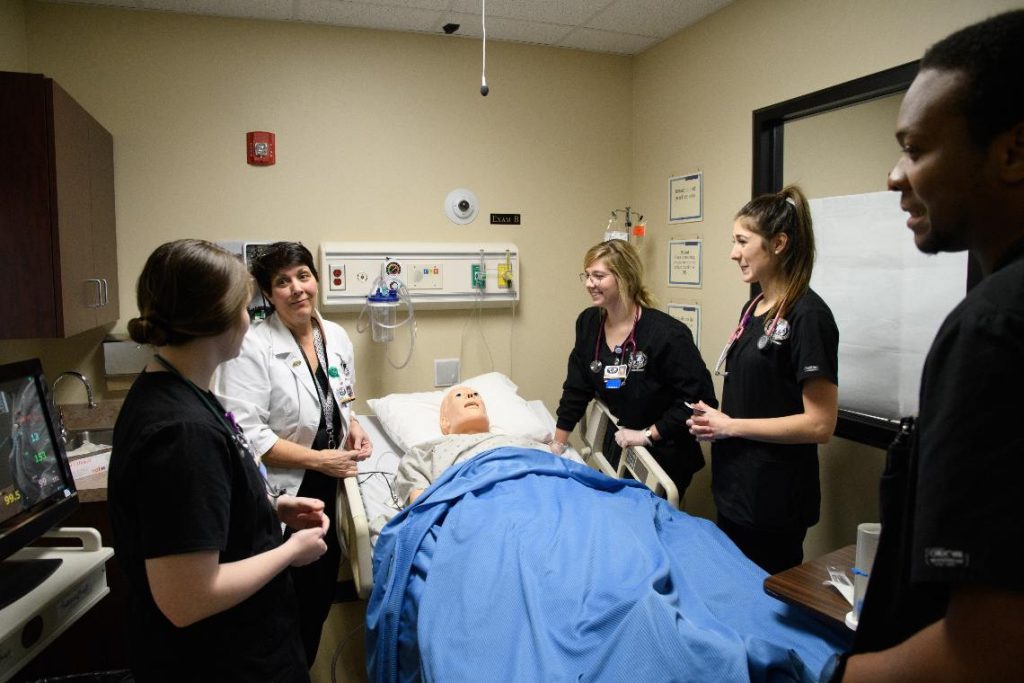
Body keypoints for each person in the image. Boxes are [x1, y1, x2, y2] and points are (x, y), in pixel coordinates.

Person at [825, 11, 1024, 682]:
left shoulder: (993, 327)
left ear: (1012, 151)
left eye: (915, 148)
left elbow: (987, 651)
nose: (893, 175)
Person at [108, 239, 329, 681]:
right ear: (220, 320)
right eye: (245, 307)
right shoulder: (182, 433)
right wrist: (289, 551)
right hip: (221, 660)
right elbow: (188, 598)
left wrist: (270, 507)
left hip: (243, 644)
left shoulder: (179, 388)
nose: (250, 319)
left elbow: (201, 503)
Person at [212, 241, 371, 667]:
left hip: (329, 488)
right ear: (268, 294)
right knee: (282, 615)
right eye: (283, 282)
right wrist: (321, 460)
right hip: (281, 497)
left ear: (316, 280)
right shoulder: (253, 346)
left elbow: (342, 396)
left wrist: (352, 425)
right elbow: (247, 435)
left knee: (315, 604)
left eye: (303, 276)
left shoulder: (333, 335)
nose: (297, 289)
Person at [687, 185, 839, 574]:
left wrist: (731, 425)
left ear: (779, 243)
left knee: (763, 607)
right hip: (736, 489)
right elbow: (761, 392)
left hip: (774, 499)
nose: (733, 253)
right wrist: (715, 421)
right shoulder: (754, 307)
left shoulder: (808, 316)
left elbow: (820, 424)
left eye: (742, 241)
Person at [553, 239, 717, 500]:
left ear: (624, 278)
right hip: (620, 440)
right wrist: (558, 444)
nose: (588, 283)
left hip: (664, 450)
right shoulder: (588, 323)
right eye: (586, 275)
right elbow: (576, 387)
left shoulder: (666, 335)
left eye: (598, 275)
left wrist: (647, 435)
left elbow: (698, 400)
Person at [396, 385, 563, 504]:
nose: (471, 396)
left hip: (538, 496)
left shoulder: (521, 443)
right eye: (459, 395)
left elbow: (557, 472)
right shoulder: (425, 452)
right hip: (478, 506)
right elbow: (421, 509)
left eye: (476, 394)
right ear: (444, 421)